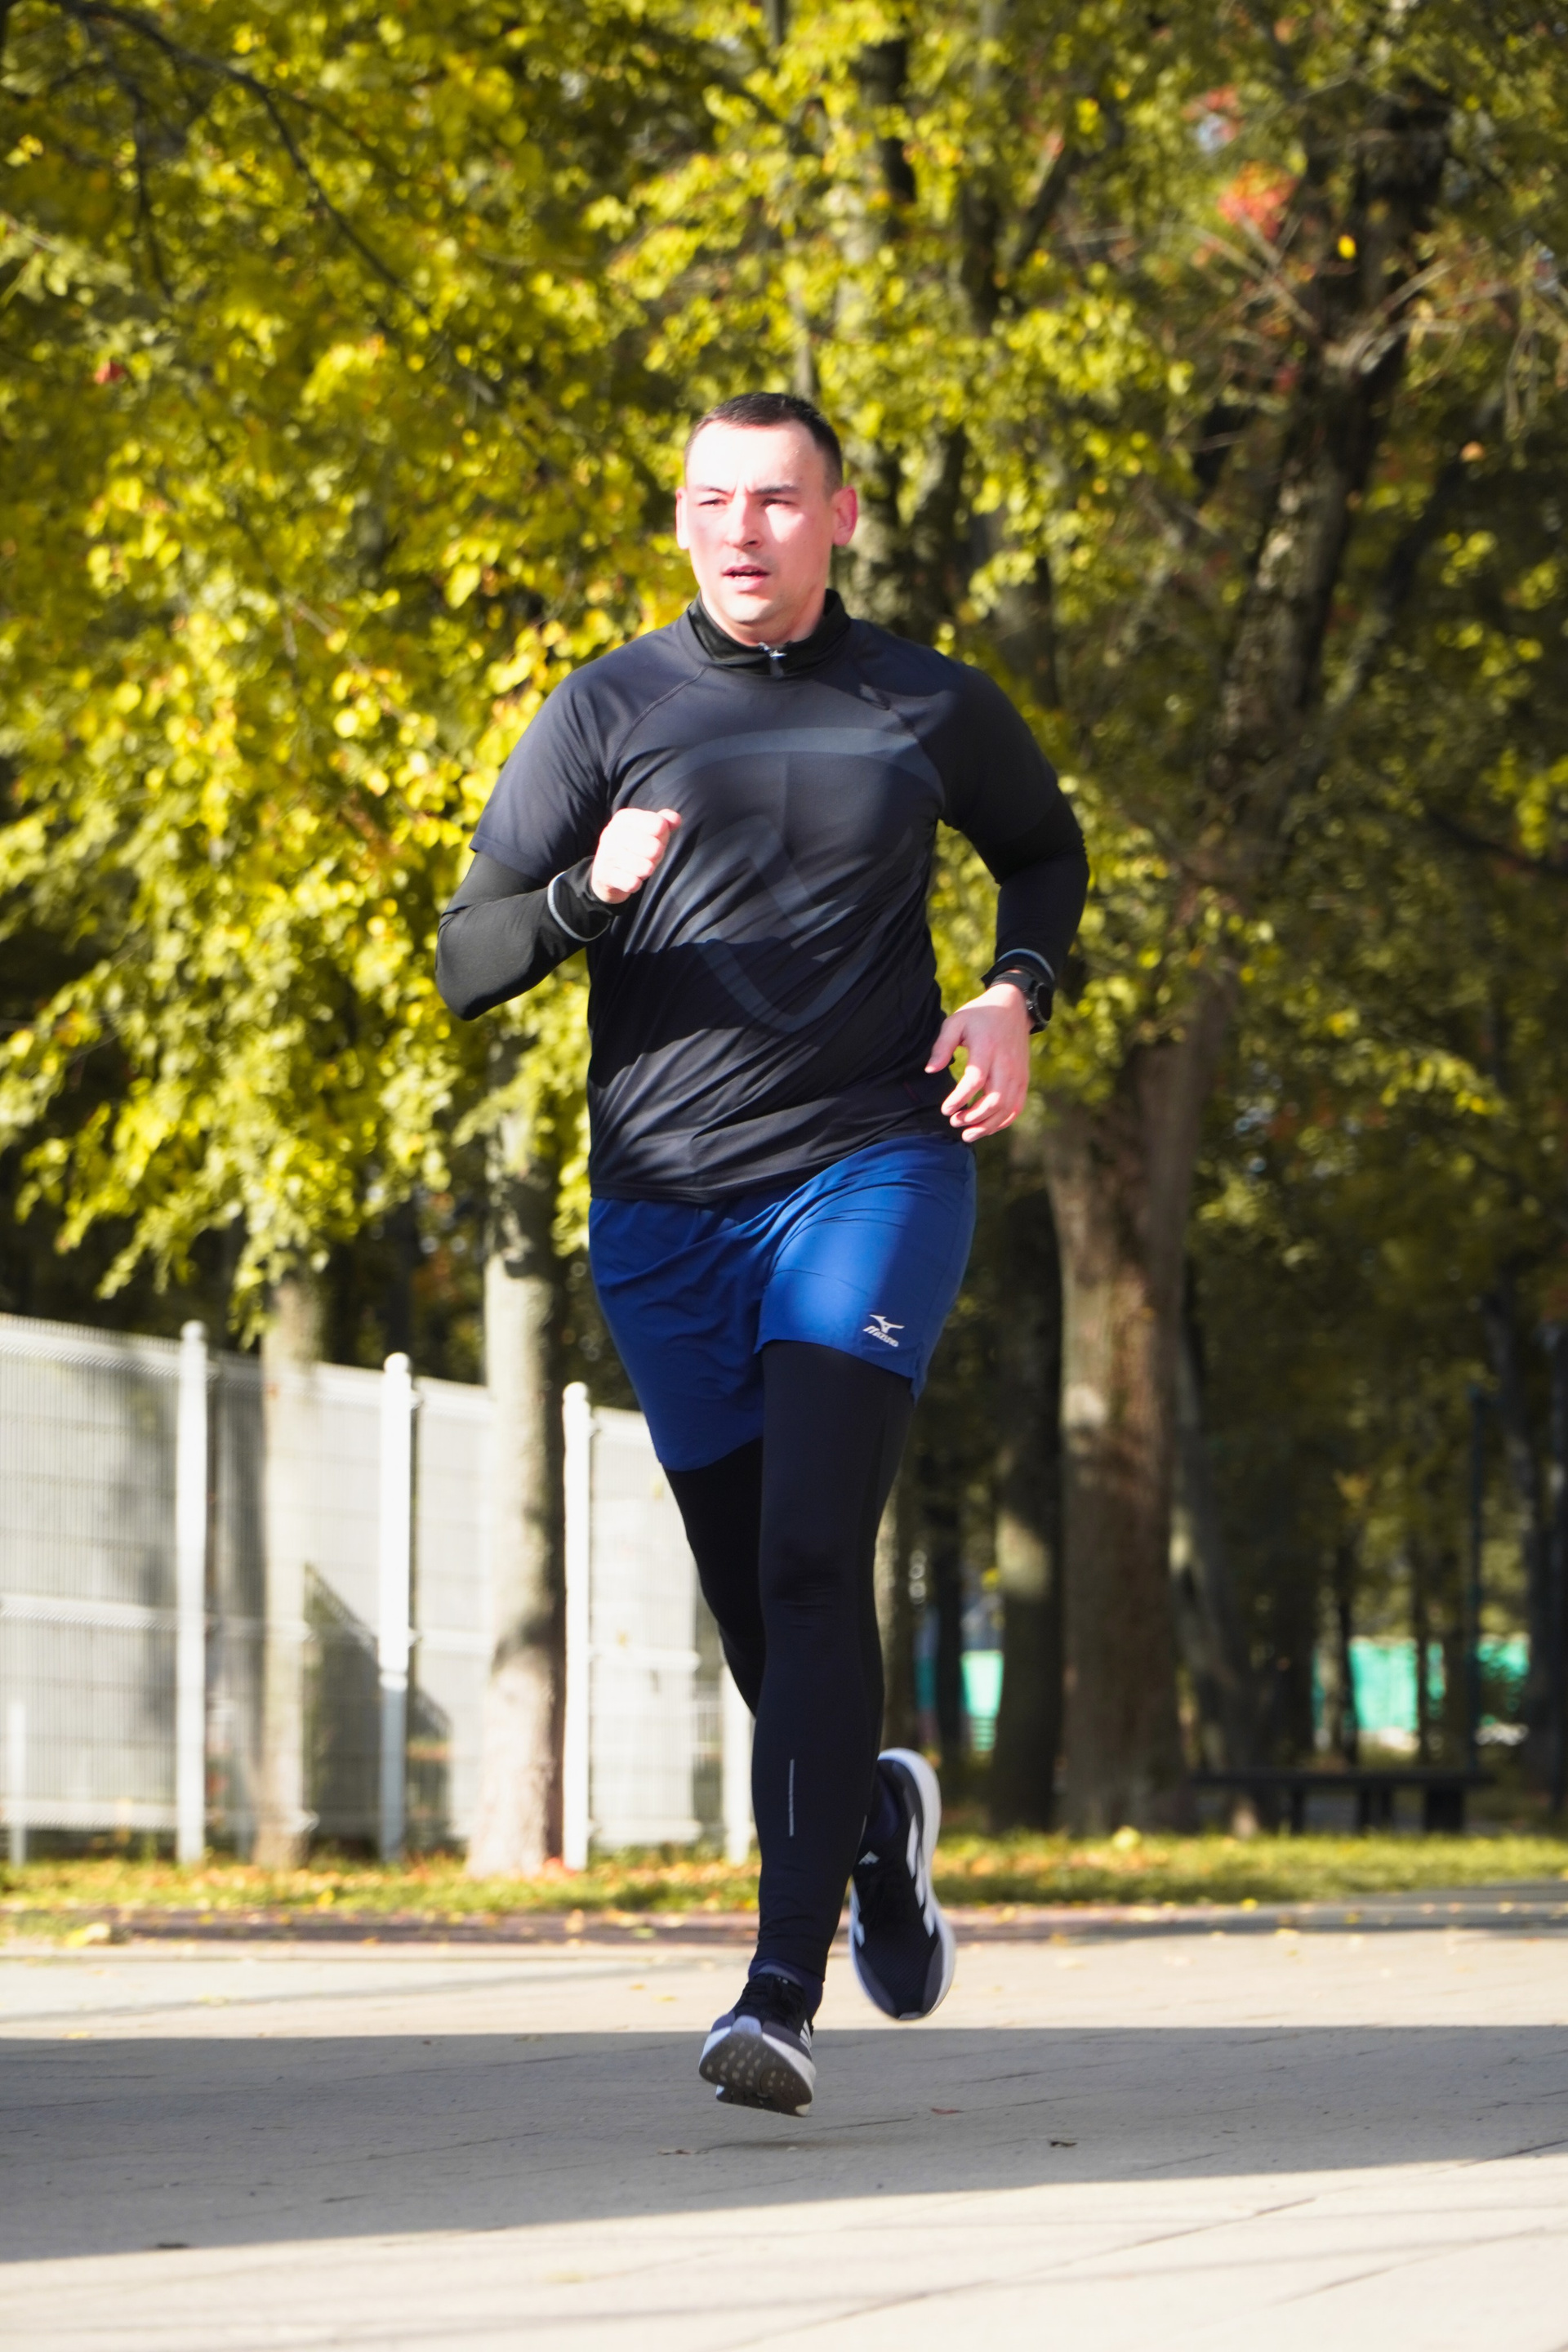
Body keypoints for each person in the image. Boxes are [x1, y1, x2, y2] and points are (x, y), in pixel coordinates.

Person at [436, 391, 1088, 2116]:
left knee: (811, 1559)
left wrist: (1016, 993)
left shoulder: (931, 703)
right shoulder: (606, 710)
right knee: (755, 1609)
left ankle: (778, 1990)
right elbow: (467, 956)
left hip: (871, 1168)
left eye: (779, 500)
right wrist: (585, 897)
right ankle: (872, 1819)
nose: (744, 529)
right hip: (664, 1211)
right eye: (714, 500)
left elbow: (1042, 851)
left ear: (841, 517)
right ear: (680, 519)